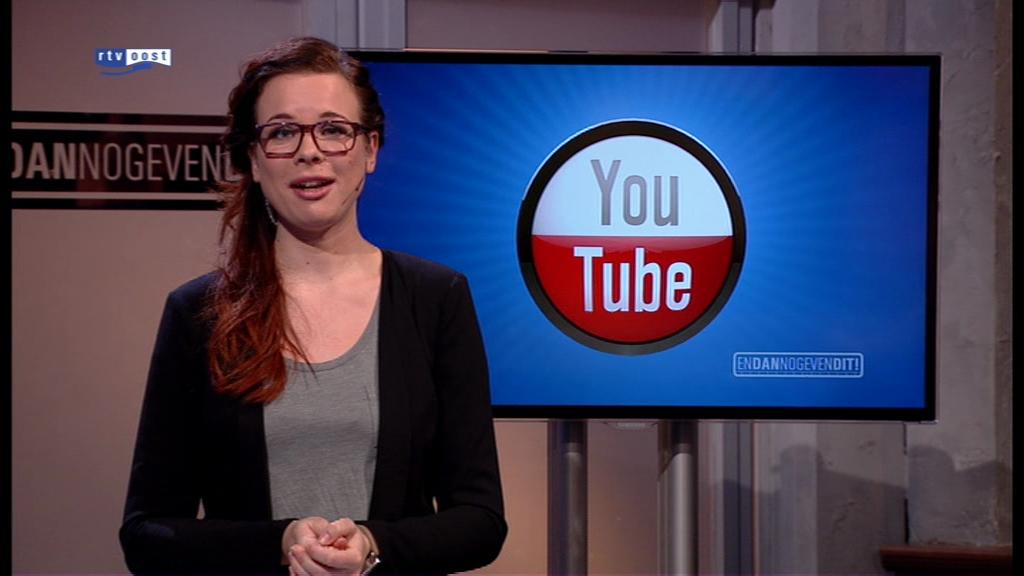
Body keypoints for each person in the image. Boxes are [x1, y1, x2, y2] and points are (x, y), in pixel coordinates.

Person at [119, 36, 507, 575]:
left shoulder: (436, 297)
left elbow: (480, 521)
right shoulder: (198, 312)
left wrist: (372, 545)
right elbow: (147, 533)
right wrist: (280, 544)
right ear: (254, 160)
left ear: (370, 150)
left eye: (333, 129)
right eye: (282, 132)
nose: (309, 150)